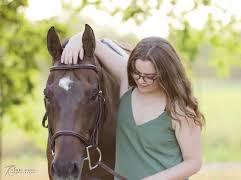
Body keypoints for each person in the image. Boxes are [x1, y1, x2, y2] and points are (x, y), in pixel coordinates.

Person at [61, 33, 205, 179]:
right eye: (137, 73)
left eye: (150, 76)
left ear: (166, 74)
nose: (141, 80)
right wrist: (75, 40)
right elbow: (96, 43)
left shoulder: (180, 110)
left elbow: (193, 162)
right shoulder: (128, 85)